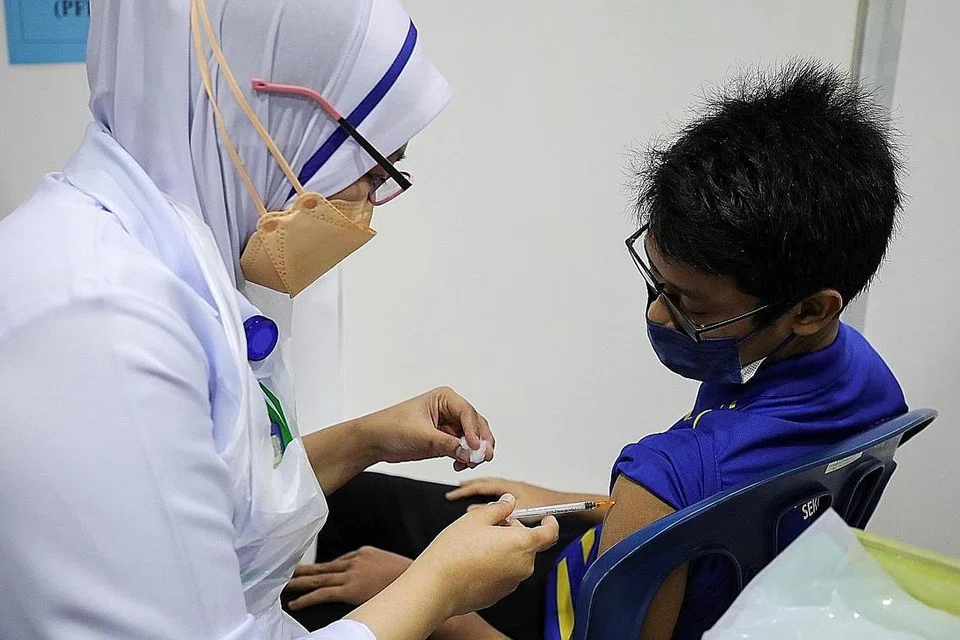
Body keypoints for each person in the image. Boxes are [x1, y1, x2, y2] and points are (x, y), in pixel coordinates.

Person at [284, 60, 909, 640]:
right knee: (347, 497)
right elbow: (721, 515)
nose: (657, 314)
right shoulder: (870, 387)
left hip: (558, 614)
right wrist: (592, 507)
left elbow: (680, 507)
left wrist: (424, 598)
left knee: (325, 595)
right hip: (602, 560)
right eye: (655, 283)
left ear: (809, 310)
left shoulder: (666, 477)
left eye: (689, 303)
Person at [0, 1, 560, 638]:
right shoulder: (102, 316)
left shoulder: (178, 268)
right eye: (373, 169)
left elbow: (217, 503)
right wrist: (438, 587)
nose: (372, 202)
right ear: (273, 118)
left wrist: (367, 439)